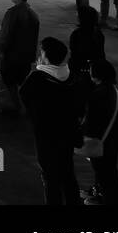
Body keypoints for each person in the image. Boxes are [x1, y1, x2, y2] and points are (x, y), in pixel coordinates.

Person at [20, 38, 81, 205]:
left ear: (46, 56)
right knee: (68, 172)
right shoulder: (72, 77)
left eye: (42, 53)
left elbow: (24, 96)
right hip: (68, 134)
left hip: (46, 136)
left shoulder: (37, 78)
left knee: (50, 177)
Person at [80, 59, 118, 206]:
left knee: (106, 176)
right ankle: (104, 197)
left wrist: (83, 137)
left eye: (91, 70)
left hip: (103, 142)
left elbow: (93, 120)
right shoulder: (113, 90)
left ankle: (110, 200)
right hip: (113, 140)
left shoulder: (99, 94)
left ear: (97, 74)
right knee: (109, 174)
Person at [0, 0, 40, 114]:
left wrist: (1, 50)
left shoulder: (12, 13)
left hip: (12, 55)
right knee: (22, 81)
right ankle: (26, 106)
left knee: (9, 81)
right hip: (26, 56)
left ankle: (15, 106)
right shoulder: (33, 14)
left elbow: (6, 35)